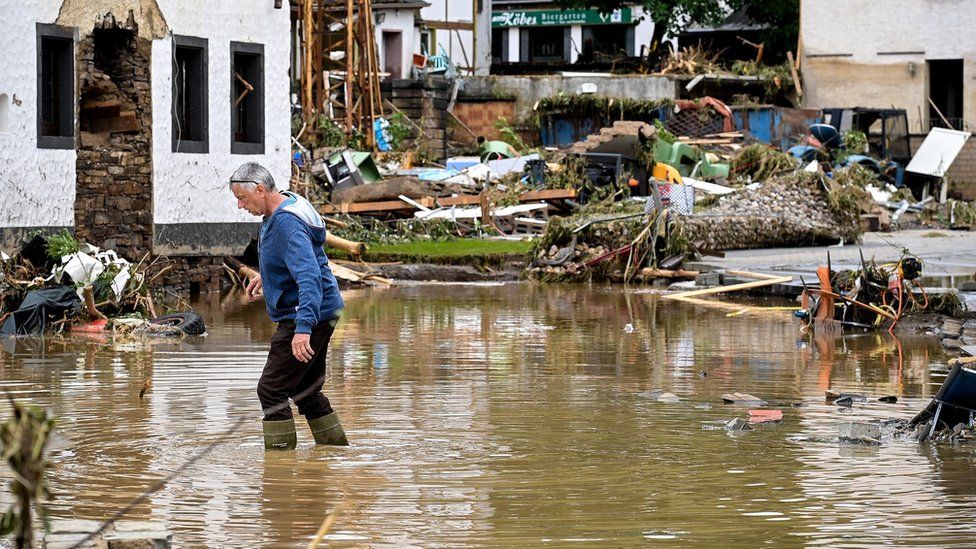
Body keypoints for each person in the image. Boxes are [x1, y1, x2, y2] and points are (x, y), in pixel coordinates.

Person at [228, 162, 348, 450]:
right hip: (323, 309)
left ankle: (279, 467)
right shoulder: (282, 205)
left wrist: (303, 328)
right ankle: (334, 452)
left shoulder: (286, 223)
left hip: (307, 313)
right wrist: (266, 278)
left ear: (260, 189)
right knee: (305, 391)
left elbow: (309, 278)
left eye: (242, 198)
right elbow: (294, 261)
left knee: (271, 390)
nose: (239, 206)